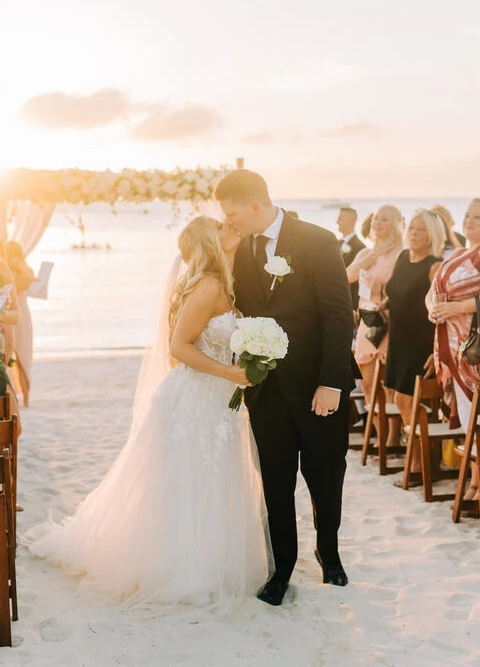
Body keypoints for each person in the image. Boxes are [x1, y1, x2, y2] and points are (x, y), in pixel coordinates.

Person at [24, 216, 272, 609]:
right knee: (188, 479)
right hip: (197, 397)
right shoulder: (207, 285)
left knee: (213, 477)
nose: (232, 229)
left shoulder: (220, 281)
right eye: (222, 227)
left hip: (217, 397)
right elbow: (179, 347)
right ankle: (184, 568)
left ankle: (211, 561)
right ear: (210, 241)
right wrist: (230, 372)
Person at [215, 169, 358, 606]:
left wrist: (332, 383)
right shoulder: (240, 249)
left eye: (234, 212)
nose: (230, 221)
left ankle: (328, 553)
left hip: (319, 388)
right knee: (275, 484)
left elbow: (338, 314)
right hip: (267, 392)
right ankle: (282, 570)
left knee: (325, 478)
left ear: (256, 206)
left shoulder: (317, 240)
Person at [382, 210, 444, 479]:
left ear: (432, 235)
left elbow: (441, 312)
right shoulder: (402, 258)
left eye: (421, 229)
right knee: (400, 398)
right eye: (412, 228)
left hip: (421, 344)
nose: (414, 233)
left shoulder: (435, 266)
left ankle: (421, 463)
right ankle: (420, 459)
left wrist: (436, 351)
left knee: (409, 400)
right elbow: (394, 293)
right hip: (397, 340)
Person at [427, 199, 480, 500]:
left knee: (479, 418)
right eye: (467, 215)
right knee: (468, 417)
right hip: (453, 347)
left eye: (477, 217)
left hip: (476, 347)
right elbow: (433, 294)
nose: (470, 221)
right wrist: (434, 310)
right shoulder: (458, 253)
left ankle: (476, 484)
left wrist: (457, 307)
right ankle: (474, 479)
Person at [346, 206, 404, 406]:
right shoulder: (365, 252)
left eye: (384, 219)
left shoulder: (401, 254)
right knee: (369, 385)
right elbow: (348, 276)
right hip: (367, 322)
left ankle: (392, 437)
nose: (377, 222)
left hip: (389, 323)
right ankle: (378, 434)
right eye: (375, 218)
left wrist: (383, 288)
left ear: (395, 224)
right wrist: (376, 252)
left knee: (388, 387)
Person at [6, 241, 37, 407]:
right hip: (17, 314)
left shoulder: (23, 271)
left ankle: (25, 396)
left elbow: (36, 291)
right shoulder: (10, 272)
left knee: (21, 355)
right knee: (16, 354)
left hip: (20, 314)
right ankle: (21, 396)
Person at [337, 206, 366, 310]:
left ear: (351, 221)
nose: (337, 222)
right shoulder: (335, 243)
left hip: (350, 302)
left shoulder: (360, 247)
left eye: (340, 219)